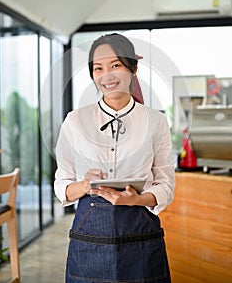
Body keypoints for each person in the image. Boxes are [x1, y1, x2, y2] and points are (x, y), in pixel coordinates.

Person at [54, 33, 175, 283]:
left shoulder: (156, 121)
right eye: (98, 68)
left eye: (116, 65)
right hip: (89, 237)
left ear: (133, 68)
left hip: (141, 233)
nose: (106, 75)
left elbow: (166, 185)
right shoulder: (75, 121)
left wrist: (137, 198)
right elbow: (61, 186)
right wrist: (86, 185)